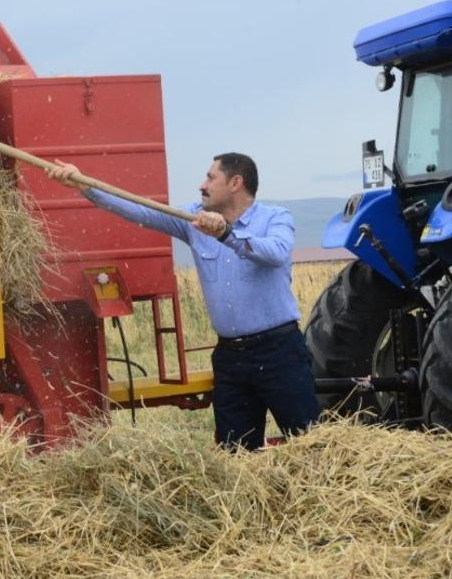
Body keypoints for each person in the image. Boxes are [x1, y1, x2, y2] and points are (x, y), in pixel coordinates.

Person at [46, 152, 319, 451]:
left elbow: (276, 252)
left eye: (211, 178)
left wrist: (226, 234)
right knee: (236, 454)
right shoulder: (193, 221)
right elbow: (142, 211)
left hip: (278, 353)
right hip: (231, 358)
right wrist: (85, 187)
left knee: (307, 443)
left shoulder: (276, 218)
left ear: (235, 183)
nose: (202, 185)